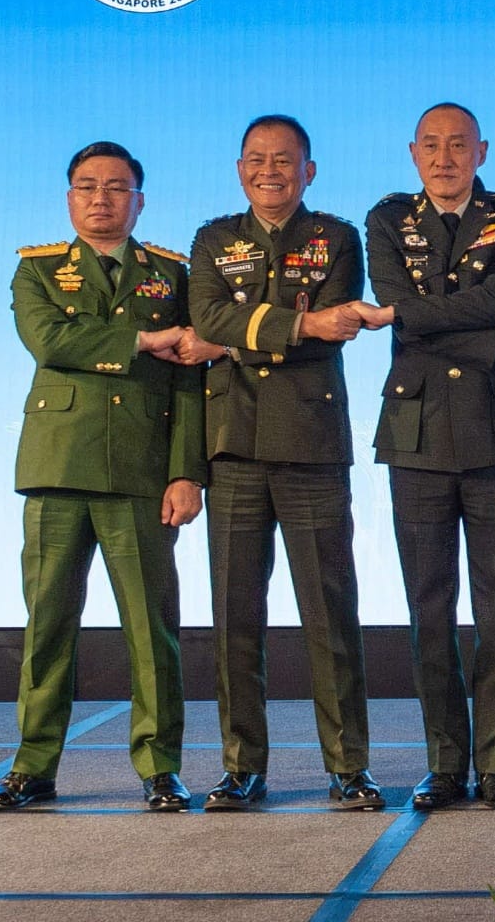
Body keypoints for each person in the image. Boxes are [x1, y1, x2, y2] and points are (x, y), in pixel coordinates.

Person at [0, 143, 207, 812]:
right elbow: (49, 341)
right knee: (48, 624)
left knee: (151, 627)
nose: (101, 198)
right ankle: (33, 765)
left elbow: (190, 380)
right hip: (58, 467)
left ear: (140, 200)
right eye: (87, 187)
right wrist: (139, 341)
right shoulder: (38, 270)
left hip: (142, 472)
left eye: (116, 188)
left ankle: (161, 766)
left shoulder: (171, 273)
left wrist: (185, 472)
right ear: (69, 197)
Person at [359, 103, 495, 811]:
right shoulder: (385, 219)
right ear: (413, 153)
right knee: (428, 606)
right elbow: (393, 302)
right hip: (415, 432)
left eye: (459, 146)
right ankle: (444, 764)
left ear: (482, 151)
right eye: (432, 146)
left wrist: (427, 317)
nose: (445, 158)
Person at [188, 114, 381, 811]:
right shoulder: (215, 239)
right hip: (234, 446)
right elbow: (206, 319)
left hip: (311, 446)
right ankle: (242, 766)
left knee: (330, 614)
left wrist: (247, 336)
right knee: (235, 615)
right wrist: (295, 325)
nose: (270, 171)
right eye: (256, 159)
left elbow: (340, 327)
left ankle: (348, 766)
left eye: (285, 160)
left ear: (310, 170)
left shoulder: (338, 237)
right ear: (240, 168)